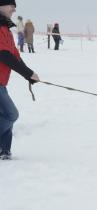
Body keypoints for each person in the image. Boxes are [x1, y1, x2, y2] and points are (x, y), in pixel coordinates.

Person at [0, 0, 40, 160]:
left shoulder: (6, 29)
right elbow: (3, 54)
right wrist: (27, 73)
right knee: (11, 115)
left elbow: (15, 55)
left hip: (2, 82)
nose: (14, 9)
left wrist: (29, 75)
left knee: (4, 115)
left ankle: (4, 150)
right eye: (11, 5)